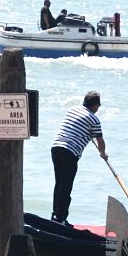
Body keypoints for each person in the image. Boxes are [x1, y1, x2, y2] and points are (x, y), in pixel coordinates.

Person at [51, 91, 107, 221]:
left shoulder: (73, 109)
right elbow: (100, 141)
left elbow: (76, 127)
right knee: (66, 185)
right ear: (95, 106)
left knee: (59, 183)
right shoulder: (94, 120)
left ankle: (56, 215)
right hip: (69, 152)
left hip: (56, 147)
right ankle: (61, 217)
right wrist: (103, 154)